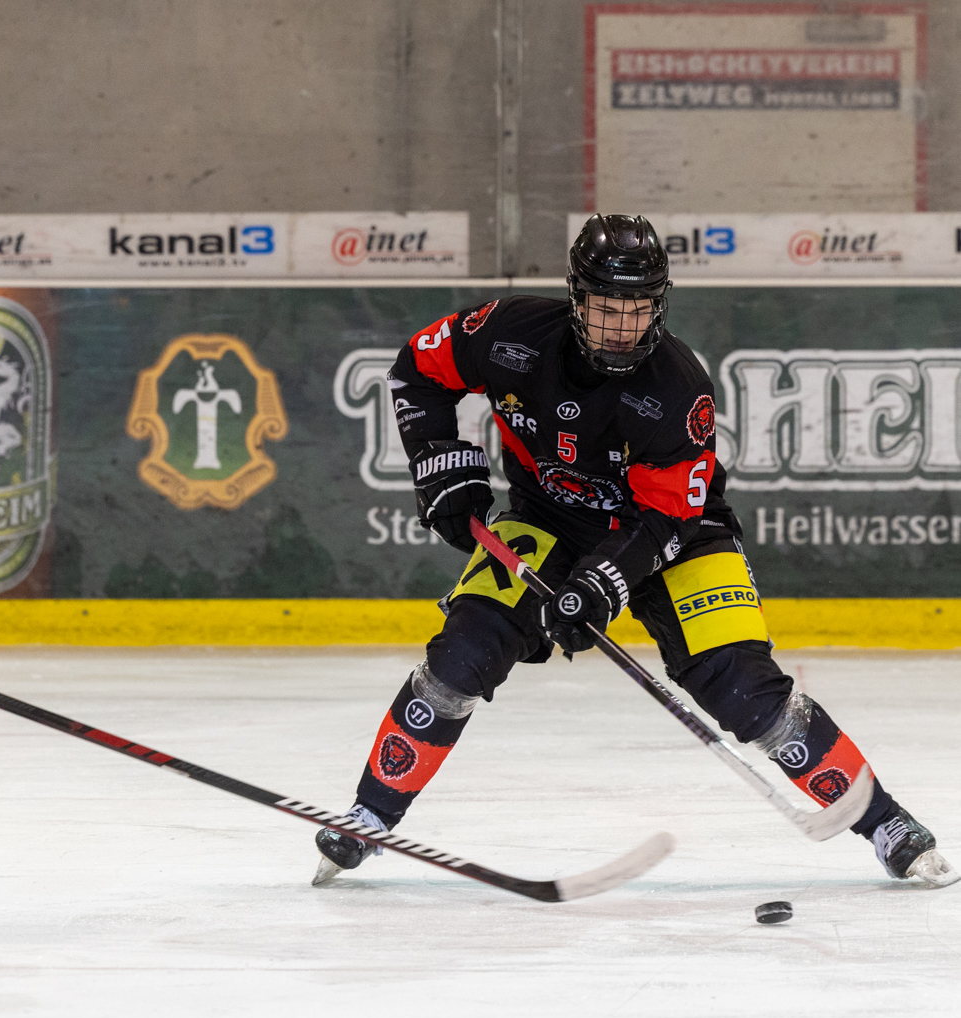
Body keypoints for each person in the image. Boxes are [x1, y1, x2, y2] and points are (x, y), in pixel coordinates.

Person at [312, 213, 958, 891]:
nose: (622, 326)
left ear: (659, 305)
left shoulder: (677, 390)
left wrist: (601, 584)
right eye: (606, 307)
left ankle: (886, 822)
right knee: (462, 654)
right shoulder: (507, 335)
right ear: (576, 299)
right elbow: (417, 369)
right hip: (547, 520)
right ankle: (369, 814)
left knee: (743, 687)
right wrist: (440, 465)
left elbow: (667, 518)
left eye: (639, 308)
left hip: (678, 535)